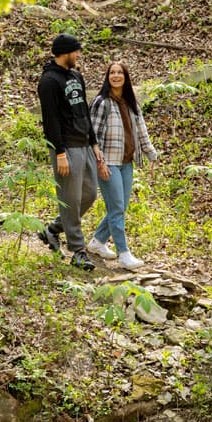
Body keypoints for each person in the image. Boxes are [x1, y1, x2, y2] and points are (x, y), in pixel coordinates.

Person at [36, 33, 106, 271]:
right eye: (76, 51)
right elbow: (51, 121)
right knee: (70, 200)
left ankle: (53, 229)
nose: (79, 55)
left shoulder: (76, 75)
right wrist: (59, 153)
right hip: (66, 148)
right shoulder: (49, 81)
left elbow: (84, 111)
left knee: (88, 195)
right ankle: (78, 250)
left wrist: (93, 143)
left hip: (84, 144)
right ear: (65, 52)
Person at [86, 60, 159, 270]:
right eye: (112, 73)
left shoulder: (131, 104)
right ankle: (123, 254)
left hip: (127, 163)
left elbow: (142, 132)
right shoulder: (102, 102)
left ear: (125, 78)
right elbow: (93, 136)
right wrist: (99, 163)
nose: (116, 76)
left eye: (120, 73)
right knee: (117, 208)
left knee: (120, 207)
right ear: (108, 77)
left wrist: (151, 155)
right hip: (108, 163)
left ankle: (98, 242)